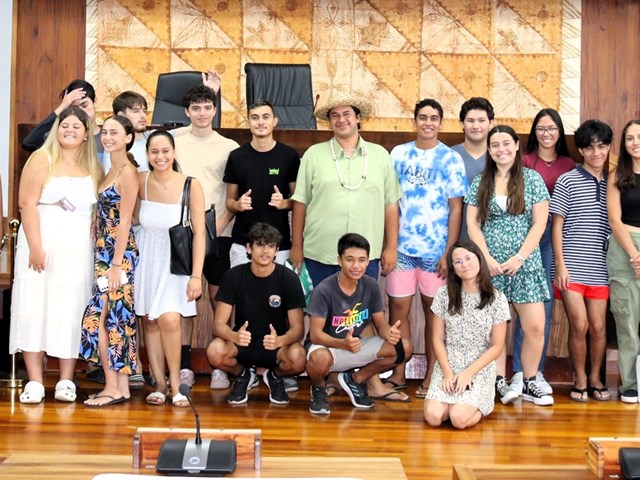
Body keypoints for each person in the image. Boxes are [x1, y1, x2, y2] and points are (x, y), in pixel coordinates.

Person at [290, 93, 403, 402]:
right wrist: (297, 246)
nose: (341, 120)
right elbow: (300, 203)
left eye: (347, 114)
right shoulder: (314, 155)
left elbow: (391, 205)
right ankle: (327, 377)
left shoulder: (379, 156)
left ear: (358, 118)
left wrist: (391, 247)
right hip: (320, 251)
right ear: (329, 122)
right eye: (335, 115)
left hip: (364, 257)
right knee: (325, 317)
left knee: (361, 318)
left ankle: (369, 381)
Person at [9, 106, 102, 404]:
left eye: (76, 126)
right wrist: (36, 247)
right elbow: (26, 204)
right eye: (64, 125)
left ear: (86, 134)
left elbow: (98, 208)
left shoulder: (93, 166)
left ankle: (65, 380)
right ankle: (35, 381)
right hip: (42, 243)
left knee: (70, 310)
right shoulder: (41, 158)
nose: (69, 130)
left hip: (77, 250)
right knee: (34, 306)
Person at [385, 98, 468, 399]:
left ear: (441, 123)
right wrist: (389, 246)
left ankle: (433, 373)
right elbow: (390, 202)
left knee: (435, 316)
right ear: (415, 121)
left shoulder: (451, 159)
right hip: (402, 249)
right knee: (398, 312)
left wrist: (449, 252)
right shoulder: (398, 154)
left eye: (434, 118)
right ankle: (399, 371)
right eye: (423, 117)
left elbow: (456, 209)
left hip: (436, 253)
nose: (428, 123)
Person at [465, 125, 553, 406]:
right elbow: (472, 224)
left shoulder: (532, 179)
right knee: (496, 329)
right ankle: (499, 381)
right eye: (495, 145)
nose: (501, 149)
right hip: (490, 267)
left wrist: (519, 257)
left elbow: (540, 223)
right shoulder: (481, 182)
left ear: (516, 145)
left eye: (506, 143)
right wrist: (486, 259)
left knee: (535, 326)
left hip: (525, 264)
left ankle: (529, 381)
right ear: (489, 151)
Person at [173, 83, 239, 389]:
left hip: (219, 231)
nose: (202, 113)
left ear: (215, 110)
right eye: (196, 108)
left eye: (207, 107)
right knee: (184, 300)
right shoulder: (173, 141)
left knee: (219, 300)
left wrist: (220, 225)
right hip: (181, 233)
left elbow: (233, 194)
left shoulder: (229, 147)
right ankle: (184, 364)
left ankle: (220, 364)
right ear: (187, 111)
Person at [134, 130, 206, 407]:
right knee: (150, 322)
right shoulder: (141, 181)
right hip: (146, 259)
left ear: (174, 153)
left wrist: (196, 275)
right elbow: (129, 215)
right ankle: (159, 383)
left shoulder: (191, 185)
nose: (160, 156)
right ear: (147, 155)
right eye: (154, 152)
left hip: (176, 262)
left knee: (171, 320)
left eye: (165, 151)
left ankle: (176, 385)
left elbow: (199, 234)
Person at [305, 233, 412, 415]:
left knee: (405, 347)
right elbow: (315, 335)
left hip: (355, 345)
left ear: (368, 261)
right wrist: (342, 344)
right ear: (339, 261)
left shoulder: (371, 285)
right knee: (320, 359)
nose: (356, 266)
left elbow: (380, 323)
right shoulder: (324, 289)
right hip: (328, 348)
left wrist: (389, 333)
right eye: (350, 260)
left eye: (361, 260)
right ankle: (318, 388)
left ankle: (355, 380)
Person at [510, 108, 575, 396]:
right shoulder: (524, 161)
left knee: (542, 307)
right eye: (541, 128)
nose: (546, 134)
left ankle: (535, 372)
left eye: (552, 128)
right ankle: (518, 372)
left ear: (560, 132)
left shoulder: (568, 165)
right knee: (523, 306)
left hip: (552, 239)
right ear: (534, 132)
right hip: (524, 239)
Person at [206, 223, 306, 405]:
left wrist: (280, 340)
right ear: (249, 248)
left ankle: (274, 376)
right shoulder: (234, 275)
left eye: (271, 246)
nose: (265, 251)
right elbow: (218, 325)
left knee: (298, 358)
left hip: (275, 345)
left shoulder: (289, 278)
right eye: (260, 245)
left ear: (276, 251)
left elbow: (298, 328)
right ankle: (243, 375)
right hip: (243, 343)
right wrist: (234, 336)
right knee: (215, 351)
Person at [551, 119, 612, 402]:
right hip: (571, 267)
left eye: (601, 146)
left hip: (601, 268)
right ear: (581, 150)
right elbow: (556, 226)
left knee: (599, 327)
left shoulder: (615, 183)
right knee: (580, 325)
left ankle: (596, 377)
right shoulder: (568, 180)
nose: (596, 152)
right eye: (589, 147)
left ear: (609, 147)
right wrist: (560, 266)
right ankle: (580, 378)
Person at [81, 115, 140, 406]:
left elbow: (126, 220)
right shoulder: (109, 170)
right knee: (118, 318)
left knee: (99, 319)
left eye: (114, 132)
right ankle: (122, 387)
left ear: (128, 137)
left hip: (118, 256)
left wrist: (116, 265)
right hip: (105, 252)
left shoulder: (127, 172)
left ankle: (111, 386)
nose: (107, 137)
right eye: (105, 132)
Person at [424, 240, 510, 429]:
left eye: (468, 258)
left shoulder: (497, 298)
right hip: (449, 362)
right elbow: (437, 339)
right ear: (453, 268)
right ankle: (453, 403)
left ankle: (481, 404)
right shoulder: (443, 295)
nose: (464, 264)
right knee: (433, 417)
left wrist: (468, 374)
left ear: (479, 259)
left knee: (458, 418)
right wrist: (447, 373)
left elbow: (497, 346)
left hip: (479, 367)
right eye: (458, 261)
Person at [224, 100, 300, 267]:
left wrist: (284, 203)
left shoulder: (289, 156)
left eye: (266, 117)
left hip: (279, 245)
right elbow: (229, 202)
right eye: (255, 117)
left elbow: (297, 200)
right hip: (243, 244)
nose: (260, 122)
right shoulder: (236, 157)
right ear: (248, 122)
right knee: (242, 285)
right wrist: (238, 205)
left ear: (274, 121)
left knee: (278, 286)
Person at [607, 119, 640, 403]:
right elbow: (614, 219)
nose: (635, 143)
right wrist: (635, 254)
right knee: (627, 319)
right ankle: (630, 383)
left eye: (639, 137)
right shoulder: (617, 175)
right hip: (623, 249)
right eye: (630, 138)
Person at [21, 79, 105, 165]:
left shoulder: (106, 137)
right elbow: (29, 143)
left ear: (95, 101)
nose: (81, 112)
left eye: (84, 105)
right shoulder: (63, 136)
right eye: (75, 108)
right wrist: (62, 107)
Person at [451, 97, 495, 240]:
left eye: (481, 120)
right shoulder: (449, 156)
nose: (476, 126)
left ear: (491, 123)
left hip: (492, 241)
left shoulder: (500, 157)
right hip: (455, 241)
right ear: (461, 124)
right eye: (470, 121)